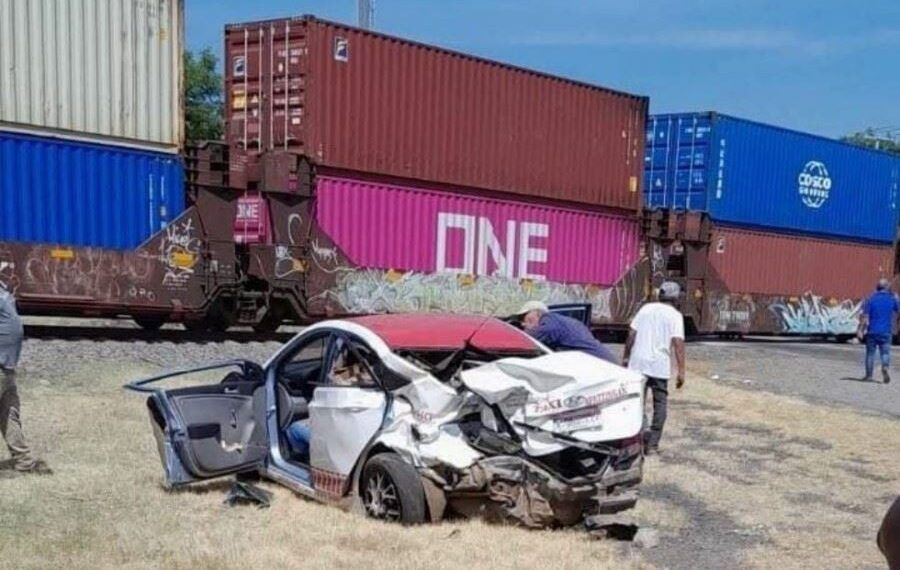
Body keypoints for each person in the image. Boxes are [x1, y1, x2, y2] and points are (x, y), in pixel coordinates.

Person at [622, 281, 686, 454]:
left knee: (637, 402)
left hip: (638, 363)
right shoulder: (675, 315)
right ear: (675, 298)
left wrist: (626, 357)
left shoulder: (645, 309)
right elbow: (678, 343)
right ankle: (652, 445)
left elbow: (631, 334)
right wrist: (681, 371)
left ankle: (636, 439)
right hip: (659, 365)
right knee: (660, 403)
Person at [0, 285, 51, 475]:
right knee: (8, 414)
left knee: (9, 413)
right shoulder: (4, 292)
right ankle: (24, 460)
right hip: (7, 367)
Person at [518, 301, 617, 364]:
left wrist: (517, 333)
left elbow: (527, 339)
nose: (523, 323)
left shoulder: (550, 322)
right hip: (605, 362)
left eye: (524, 317)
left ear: (538, 313)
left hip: (599, 365)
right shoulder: (568, 322)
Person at [858, 278, 899, 384]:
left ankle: (869, 376)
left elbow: (865, 316)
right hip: (886, 331)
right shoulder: (891, 299)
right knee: (885, 353)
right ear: (887, 287)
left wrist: (860, 330)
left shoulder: (871, 299)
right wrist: (897, 299)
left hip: (872, 331)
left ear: (877, 287)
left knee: (870, 354)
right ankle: (885, 367)